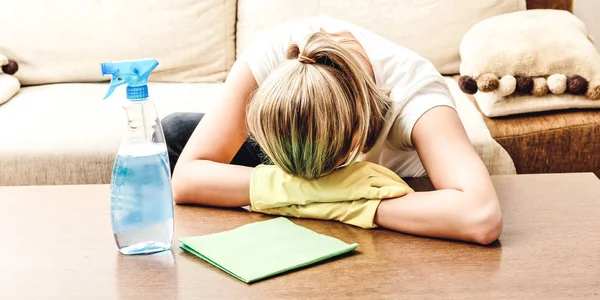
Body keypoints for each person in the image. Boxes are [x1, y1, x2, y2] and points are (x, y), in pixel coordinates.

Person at [161, 15, 502, 245]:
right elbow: (187, 177)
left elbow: (481, 216)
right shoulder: (271, 54)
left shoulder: (414, 91)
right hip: (314, 160)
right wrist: (327, 195)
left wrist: (352, 202)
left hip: (382, 184)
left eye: (324, 177)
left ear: (359, 136)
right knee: (175, 132)